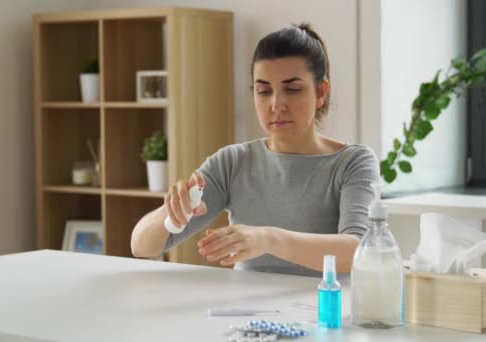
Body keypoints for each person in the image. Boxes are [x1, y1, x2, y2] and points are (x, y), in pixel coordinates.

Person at [131, 23, 379, 277]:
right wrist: (170, 212)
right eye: (264, 91)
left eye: (292, 89)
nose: (276, 104)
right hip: (248, 313)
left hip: (325, 310)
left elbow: (358, 252)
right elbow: (141, 246)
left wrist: (266, 239)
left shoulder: (353, 162)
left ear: (321, 92)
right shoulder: (232, 162)